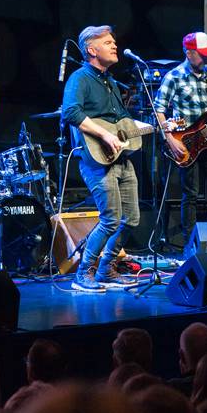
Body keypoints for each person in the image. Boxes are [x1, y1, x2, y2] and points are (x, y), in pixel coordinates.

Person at [61, 25, 140, 292]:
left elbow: (120, 120)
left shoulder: (110, 82)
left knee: (131, 219)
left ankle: (106, 269)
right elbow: (71, 112)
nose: (114, 45)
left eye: (114, 42)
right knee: (110, 220)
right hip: (97, 160)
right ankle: (84, 274)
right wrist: (105, 135)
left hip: (121, 158)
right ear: (92, 50)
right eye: (107, 42)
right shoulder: (80, 78)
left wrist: (151, 127)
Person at [154, 31, 207, 245]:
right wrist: (170, 140)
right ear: (188, 53)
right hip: (185, 142)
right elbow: (159, 110)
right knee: (190, 194)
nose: (206, 58)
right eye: (202, 54)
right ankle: (190, 243)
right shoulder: (174, 77)